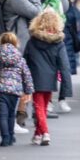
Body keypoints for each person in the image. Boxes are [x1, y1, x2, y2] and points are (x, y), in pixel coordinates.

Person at [0, 0, 42, 129]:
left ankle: (11, 116)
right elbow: (37, 13)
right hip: (18, 44)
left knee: (8, 80)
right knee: (17, 82)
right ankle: (12, 119)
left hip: (10, 42)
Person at [24, 11, 72, 146]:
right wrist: (65, 88)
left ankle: (44, 133)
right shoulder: (58, 43)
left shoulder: (32, 41)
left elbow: (25, 60)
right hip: (51, 79)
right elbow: (64, 66)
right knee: (43, 107)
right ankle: (38, 135)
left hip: (36, 78)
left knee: (39, 107)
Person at [0, 33, 34, 147]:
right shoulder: (20, 59)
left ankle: (5, 138)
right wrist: (29, 91)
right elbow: (27, 76)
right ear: (16, 43)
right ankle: (11, 136)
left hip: (0, 90)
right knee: (11, 115)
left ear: (1, 42)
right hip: (14, 91)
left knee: (2, 115)